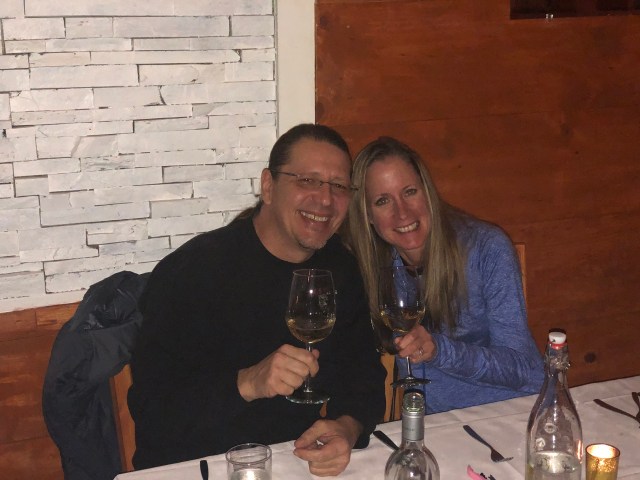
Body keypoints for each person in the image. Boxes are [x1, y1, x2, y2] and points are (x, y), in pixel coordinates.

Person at [128, 124, 386, 476]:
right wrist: (246, 383)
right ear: (268, 186)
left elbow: (364, 374)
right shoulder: (192, 272)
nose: (326, 199)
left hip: (296, 462)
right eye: (307, 181)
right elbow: (153, 412)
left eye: (339, 186)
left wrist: (347, 427)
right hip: (199, 465)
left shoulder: (340, 268)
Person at [347, 136, 544, 414]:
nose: (402, 213)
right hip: (437, 423)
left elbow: (523, 369)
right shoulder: (372, 267)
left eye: (409, 192)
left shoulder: (486, 248)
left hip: (513, 412)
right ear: (367, 215)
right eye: (383, 200)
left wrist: (440, 350)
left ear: (427, 192)